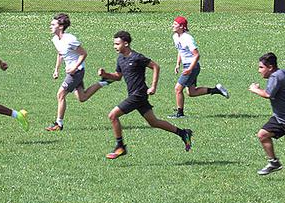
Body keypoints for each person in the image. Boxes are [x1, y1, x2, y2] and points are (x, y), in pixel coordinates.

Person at [98, 31, 192, 159]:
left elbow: (155, 66)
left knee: (113, 115)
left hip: (138, 95)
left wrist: (153, 86)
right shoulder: (120, 58)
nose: (115, 46)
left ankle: (120, 146)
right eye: (114, 44)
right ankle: (183, 133)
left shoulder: (137, 57)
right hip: (135, 95)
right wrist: (106, 75)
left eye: (117, 44)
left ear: (126, 43)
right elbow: (118, 76)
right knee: (154, 122)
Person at [45, 14, 109, 131]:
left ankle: (58, 124)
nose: (50, 26)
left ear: (61, 26)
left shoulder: (70, 39)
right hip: (72, 71)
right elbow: (60, 54)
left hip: (77, 72)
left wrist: (75, 67)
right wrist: (56, 70)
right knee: (82, 97)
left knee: (60, 94)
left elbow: (83, 53)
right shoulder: (55, 39)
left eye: (53, 24)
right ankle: (104, 82)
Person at [168, 16, 228, 118]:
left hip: (192, 66)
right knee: (191, 92)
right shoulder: (175, 37)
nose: (172, 25)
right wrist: (178, 64)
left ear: (182, 26)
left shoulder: (188, 38)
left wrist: (190, 69)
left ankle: (180, 113)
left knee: (178, 89)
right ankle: (216, 90)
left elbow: (197, 55)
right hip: (188, 66)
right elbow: (180, 51)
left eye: (175, 24)